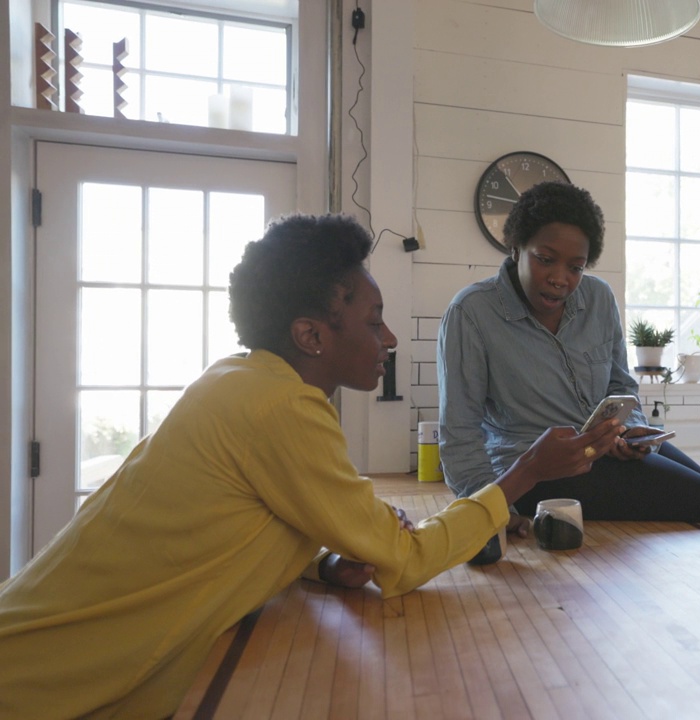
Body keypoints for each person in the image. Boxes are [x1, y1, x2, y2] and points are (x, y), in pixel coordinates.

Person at [0, 213, 621, 719]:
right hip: (39, 689)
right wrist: (525, 473)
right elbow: (405, 562)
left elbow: (228, 526)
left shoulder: (239, 382)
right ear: (311, 335)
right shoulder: (279, 409)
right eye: (373, 321)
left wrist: (322, 563)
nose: (389, 341)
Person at [438, 182, 700, 543]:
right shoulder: (472, 313)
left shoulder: (598, 298)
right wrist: (493, 510)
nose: (560, 279)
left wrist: (628, 430)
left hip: (602, 453)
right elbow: (458, 435)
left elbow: (621, 386)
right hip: (534, 471)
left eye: (576, 267)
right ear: (516, 247)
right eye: (545, 259)